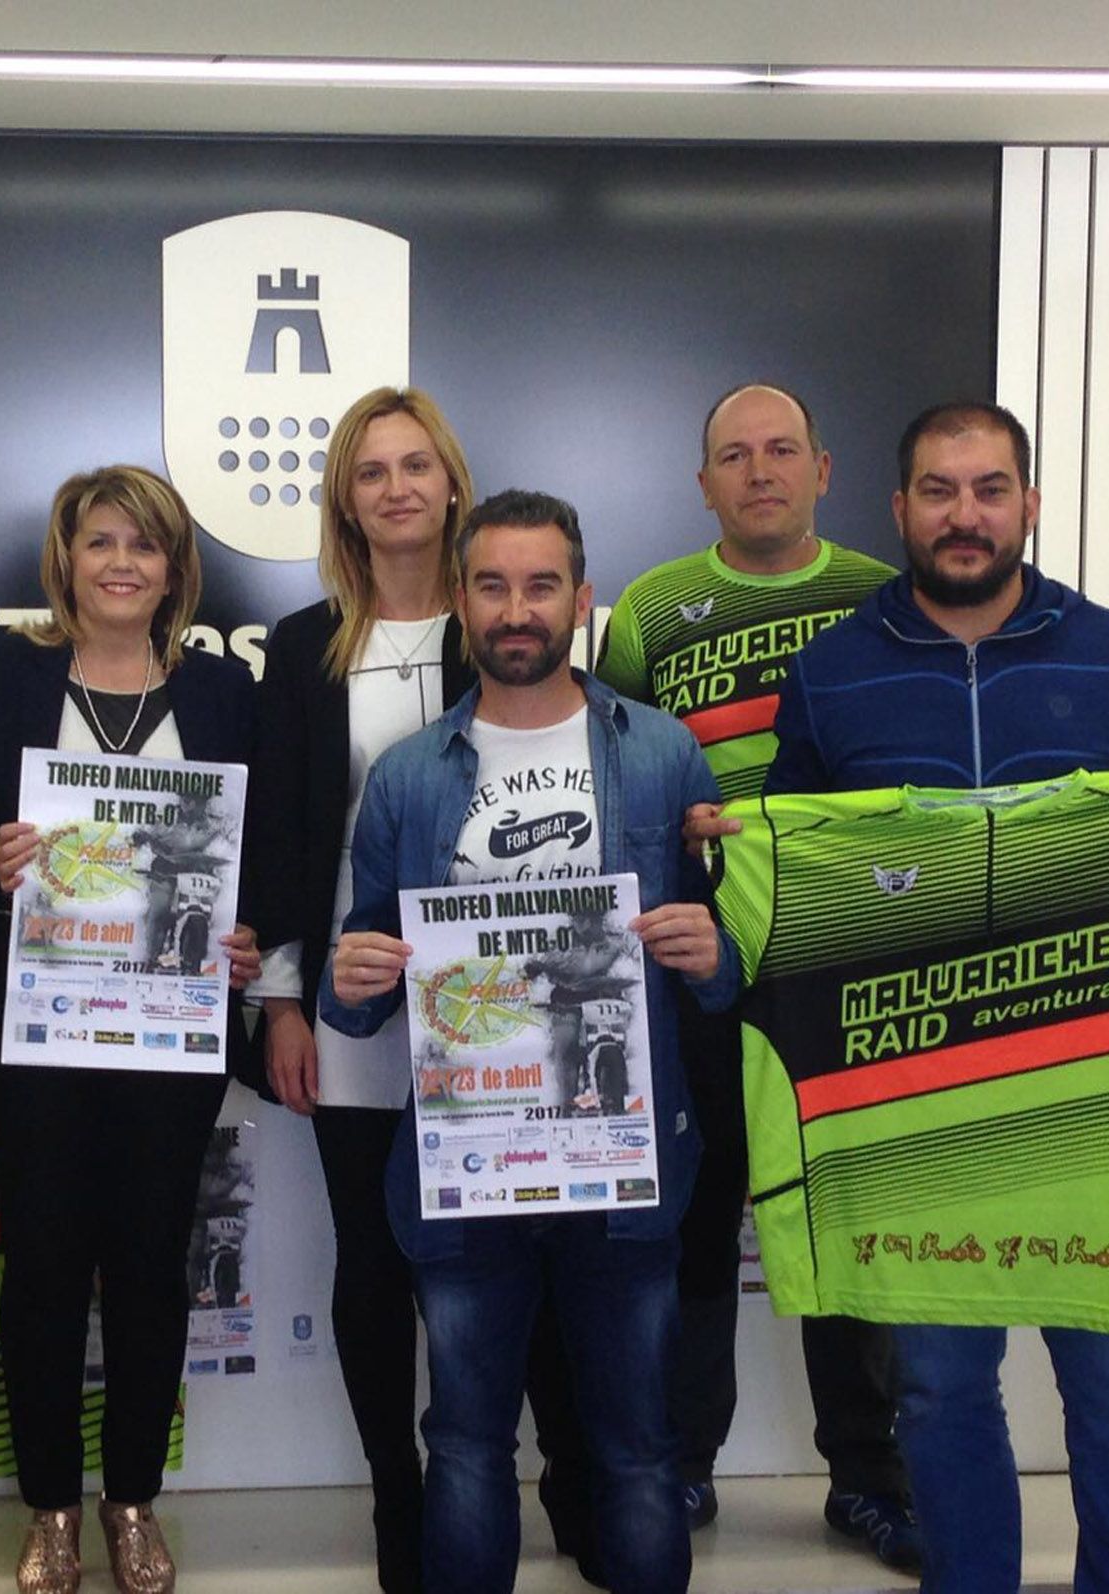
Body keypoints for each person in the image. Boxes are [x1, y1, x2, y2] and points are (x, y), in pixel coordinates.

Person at [703, 400, 1109, 1593]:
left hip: (1100, 1103)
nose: (963, 515)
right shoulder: (833, 669)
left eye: (987, 488)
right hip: (914, 1112)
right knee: (940, 1395)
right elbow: (798, 867)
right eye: (936, 490)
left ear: (1024, 501)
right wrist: (740, 843)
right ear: (897, 505)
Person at [324, 488, 734, 1594]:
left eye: (540, 584)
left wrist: (712, 952)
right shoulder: (408, 777)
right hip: (468, 1167)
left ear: (580, 600)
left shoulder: (660, 754)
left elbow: (726, 967)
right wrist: (348, 979)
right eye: (493, 585)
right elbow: (365, 975)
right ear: (461, 602)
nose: (517, 609)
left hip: (623, 1164)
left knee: (638, 1446)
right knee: (462, 1441)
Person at [243, 388, 599, 1591]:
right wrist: (283, 1001)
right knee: (374, 1264)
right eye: (368, 470)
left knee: (527, 1254)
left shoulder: (497, 622)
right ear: (343, 497)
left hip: (497, 1003)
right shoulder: (303, 647)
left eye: (415, 465)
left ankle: (561, 1489)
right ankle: (404, 1503)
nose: (395, 488)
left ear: (451, 481)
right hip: (353, 999)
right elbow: (283, 840)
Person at [597, 383, 917, 1569]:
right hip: (689, 966)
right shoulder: (650, 607)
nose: (759, 470)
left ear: (822, 469)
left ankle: (865, 1475)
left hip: (841, 964)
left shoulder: (881, 601)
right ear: (702, 483)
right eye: (733, 454)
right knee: (690, 1221)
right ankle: (681, 1466)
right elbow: (611, 764)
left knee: (844, 1219)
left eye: (781, 450)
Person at [0, 465, 259, 1594]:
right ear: (65, 559)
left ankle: (130, 1500)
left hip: (168, 1041)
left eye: (145, 544)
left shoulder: (224, 693)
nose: (121, 562)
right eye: (99, 542)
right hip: (36, 1037)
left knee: (144, 1269)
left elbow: (253, 853)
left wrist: (248, 939)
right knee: (37, 1273)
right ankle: (49, 1510)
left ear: (176, 567)